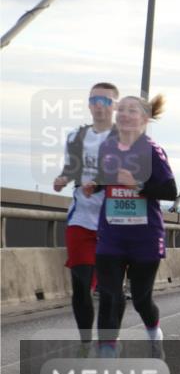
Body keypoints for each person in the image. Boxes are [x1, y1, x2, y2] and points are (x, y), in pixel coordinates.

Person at [84, 94, 177, 359]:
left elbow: (170, 191)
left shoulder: (152, 151)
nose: (124, 114)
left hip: (145, 238)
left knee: (140, 299)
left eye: (132, 111)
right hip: (112, 236)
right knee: (109, 295)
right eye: (121, 109)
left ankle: (154, 334)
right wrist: (95, 185)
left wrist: (136, 185)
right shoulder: (108, 148)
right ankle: (107, 350)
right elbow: (105, 177)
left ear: (144, 119)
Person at [53, 82, 120, 356]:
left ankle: (107, 343)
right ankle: (84, 342)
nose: (99, 106)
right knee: (80, 285)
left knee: (108, 289)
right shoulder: (76, 136)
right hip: (80, 218)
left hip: (112, 222)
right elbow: (71, 169)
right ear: (89, 104)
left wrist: (103, 183)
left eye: (105, 101)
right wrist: (63, 178)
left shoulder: (124, 138)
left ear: (115, 106)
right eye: (94, 100)